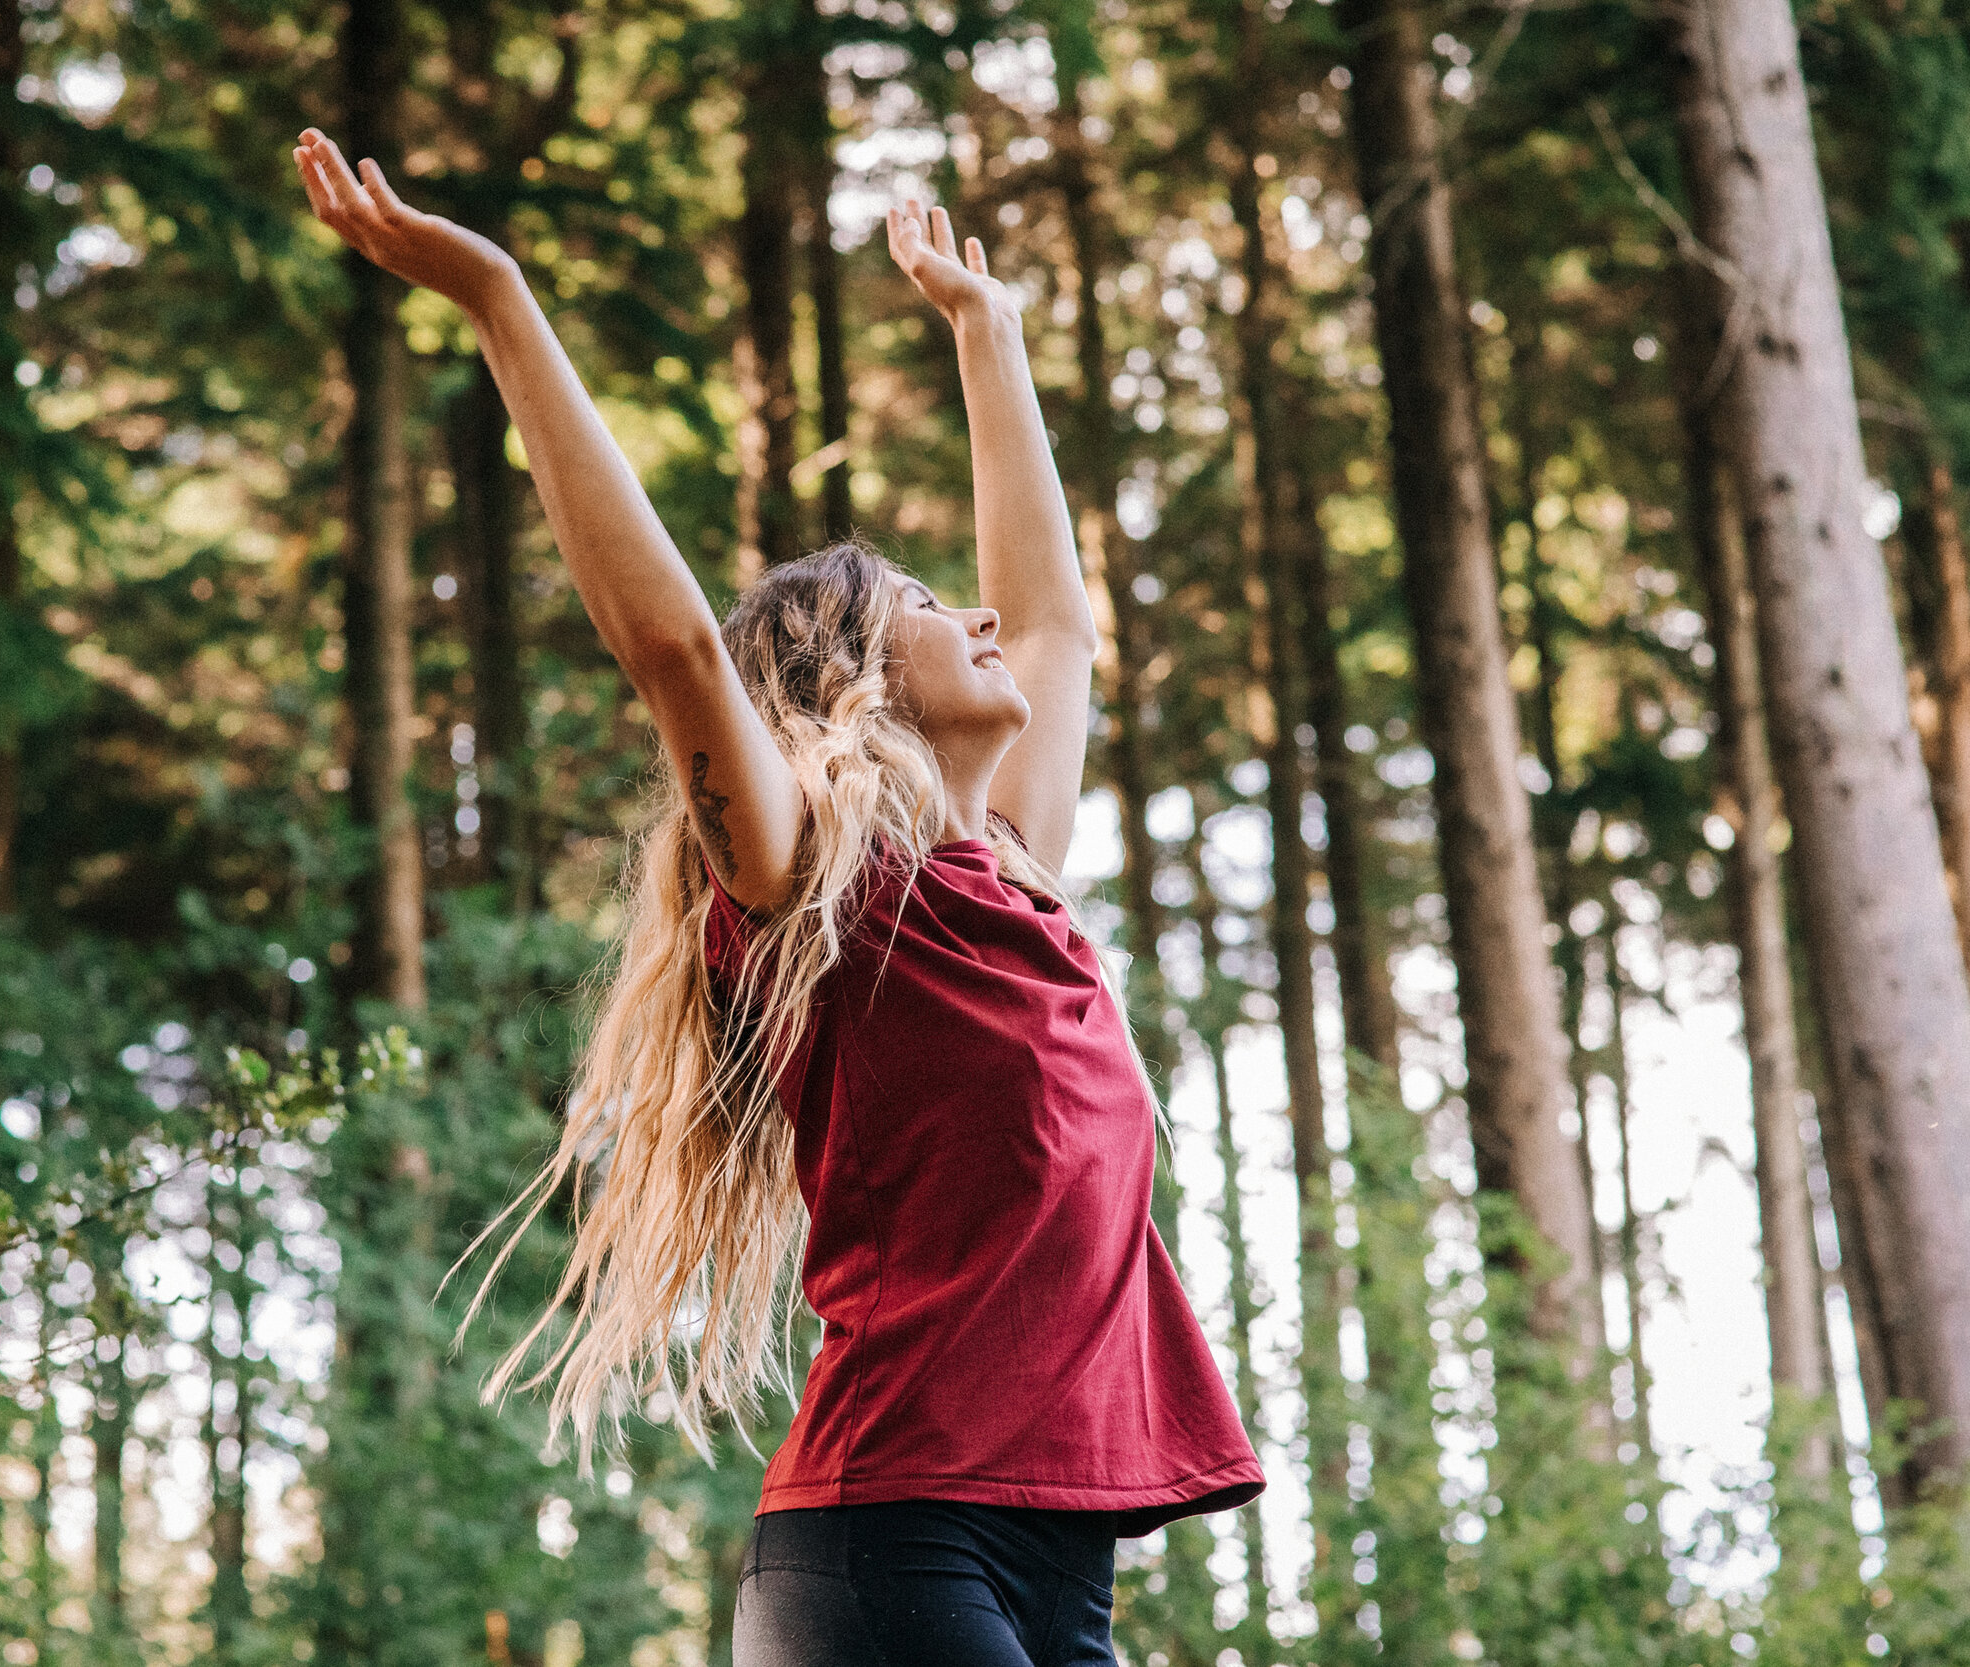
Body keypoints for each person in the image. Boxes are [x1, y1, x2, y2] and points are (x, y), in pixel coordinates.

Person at [293, 128, 1263, 1667]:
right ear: (859, 689)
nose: (987, 613)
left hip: (1057, 1562)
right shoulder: (818, 884)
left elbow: (1063, 626)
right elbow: (674, 644)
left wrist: (987, 331)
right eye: (932, 608)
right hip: (892, 1547)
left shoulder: (1003, 877)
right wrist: (496, 302)